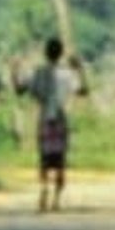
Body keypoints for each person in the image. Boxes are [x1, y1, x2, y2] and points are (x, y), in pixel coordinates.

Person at [19, 37, 86, 212]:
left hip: (44, 118)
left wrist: (14, 69)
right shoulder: (67, 74)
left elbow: (20, 89)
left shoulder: (37, 73)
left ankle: (43, 187)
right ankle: (56, 199)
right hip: (60, 118)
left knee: (44, 157)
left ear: (45, 53)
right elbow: (83, 91)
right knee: (60, 159)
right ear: (61, 53)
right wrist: (80, 70)